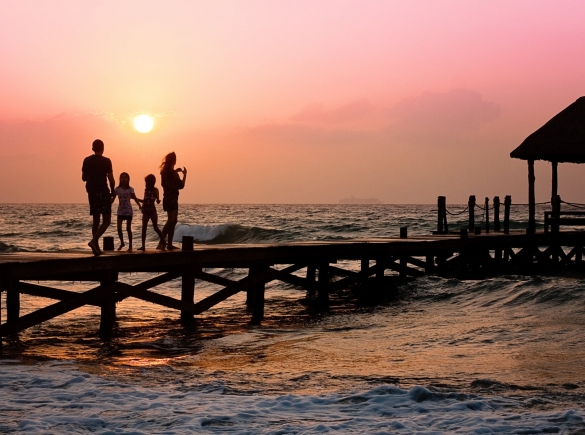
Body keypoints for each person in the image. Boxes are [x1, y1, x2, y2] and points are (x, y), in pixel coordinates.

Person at [82, 139, 115, 256]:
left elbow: (84, 178)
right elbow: (111, 180)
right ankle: (93, 241)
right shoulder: (106, 161)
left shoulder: (86, 160)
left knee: (96, 220)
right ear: (103, 148)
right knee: (106, 221)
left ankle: (96, 248)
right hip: (103, 192)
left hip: (91, 192)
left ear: (92, 149)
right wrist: (113, 192)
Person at [159, 152, 187, 250]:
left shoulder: (164, 172)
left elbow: (167, 182)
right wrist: (185, 175)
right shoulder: (172, 173)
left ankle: (168, 244)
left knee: (173, 221)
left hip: (167, 198)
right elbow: (181, 185)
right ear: (174, 160)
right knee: (171, 221)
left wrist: (175, 171)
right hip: (172, 199)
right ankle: (161, 243)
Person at [111, 172, 142, 251]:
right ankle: (122, 242)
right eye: (122, 178)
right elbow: (112, 199)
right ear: (120, 180)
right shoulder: (117, 189)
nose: (124, 179)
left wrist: (139, 205)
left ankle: (130, 246)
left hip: (128, 211)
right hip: (120, 211)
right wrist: (108, 204)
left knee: (128, 229)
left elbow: (135, 198)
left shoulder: (130, 189)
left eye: (125, 177)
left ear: (128, 179)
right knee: (119, 228)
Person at [137, 174, 164, 251]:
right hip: (145, 211)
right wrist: (136, 199)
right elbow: (144, 201)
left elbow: (157, 201)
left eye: (147, 182)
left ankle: (163, 241)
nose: (146, 184)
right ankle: (143, 246)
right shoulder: (146, 190)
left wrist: (158, 200)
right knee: (144, 228)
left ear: (151, 182)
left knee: (155, 227)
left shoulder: (155, 190)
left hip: (152, 211)